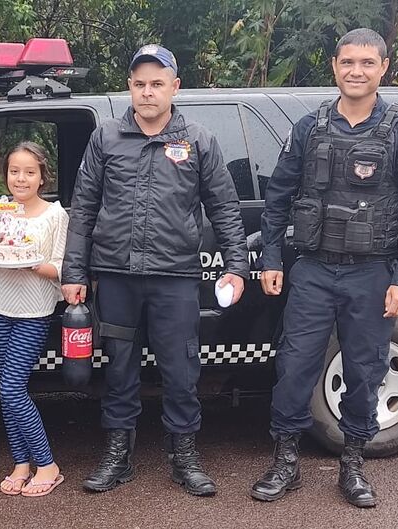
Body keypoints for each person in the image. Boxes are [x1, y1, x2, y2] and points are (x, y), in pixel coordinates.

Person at [251, 28, 398, 508]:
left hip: (372, 274)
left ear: (383, 69)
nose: (356, 71)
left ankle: (353, 464)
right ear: (334, 66)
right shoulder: (308, 128)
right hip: (312, 269)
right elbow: (279, 197)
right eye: (348, 62)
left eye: (367, 63)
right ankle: (286, 462)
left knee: (365, 370)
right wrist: (271, 258)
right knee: (294, 366)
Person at [61, 45, 248, 496]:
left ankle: (184, 458)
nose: (148, 92)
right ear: (130, 87)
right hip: (117, 277)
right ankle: (118, 456)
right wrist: (74, 273)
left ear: (174, 87)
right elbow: (83, 208)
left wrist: (237, 266)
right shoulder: (106, 137)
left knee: (181, 370)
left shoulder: (198, 140)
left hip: (175, 279)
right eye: (140, 83)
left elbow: (224, 208)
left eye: (157, 83)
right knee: (120, 368)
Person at [0, 142, 69, 497]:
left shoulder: (54, 215)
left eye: (29, 172)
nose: (21, 178)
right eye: (15, 171)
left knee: (12, 389)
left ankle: (47, 464)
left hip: (33, 312)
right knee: (9, 389)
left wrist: (31, 263)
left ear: (43, 176)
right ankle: (21, 463)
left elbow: (60, 267)